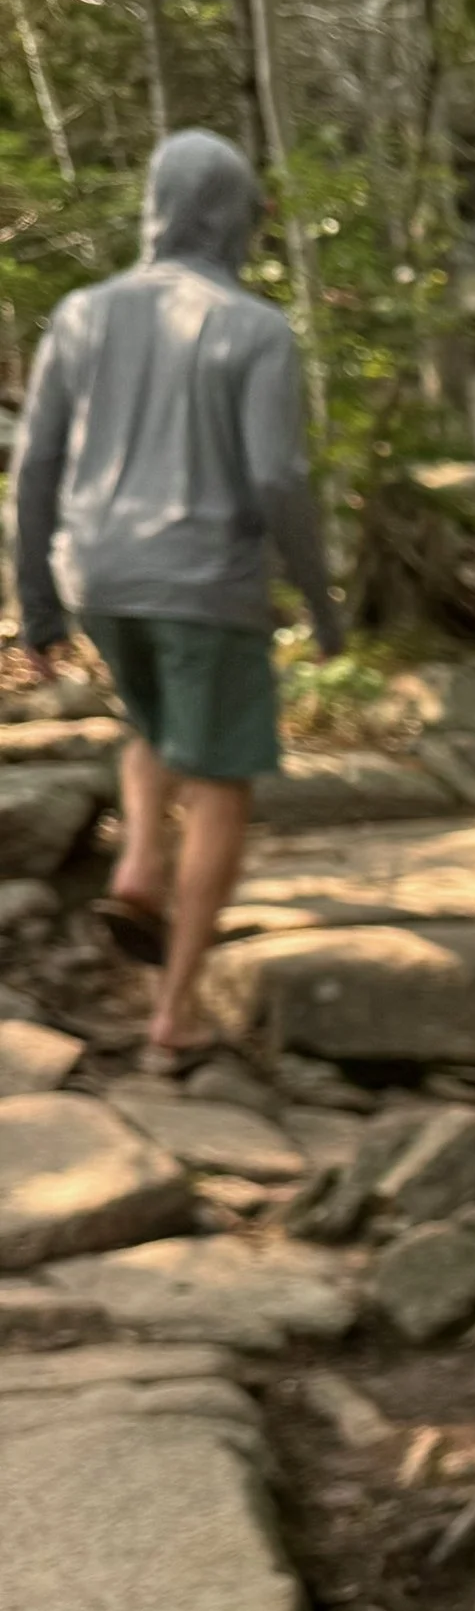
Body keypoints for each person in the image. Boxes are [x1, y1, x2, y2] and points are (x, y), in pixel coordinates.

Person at [10, 128, 342, 1071]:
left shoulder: (81, 314)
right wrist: (320, 602)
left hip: (102, 578)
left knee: (151, 721)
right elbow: (277, 477)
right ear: (237, 216)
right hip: (208, 580)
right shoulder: (255, 327)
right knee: (222, 779)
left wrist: (37, 604)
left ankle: (141, 865)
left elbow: (33, 468)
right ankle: (176, 1011)